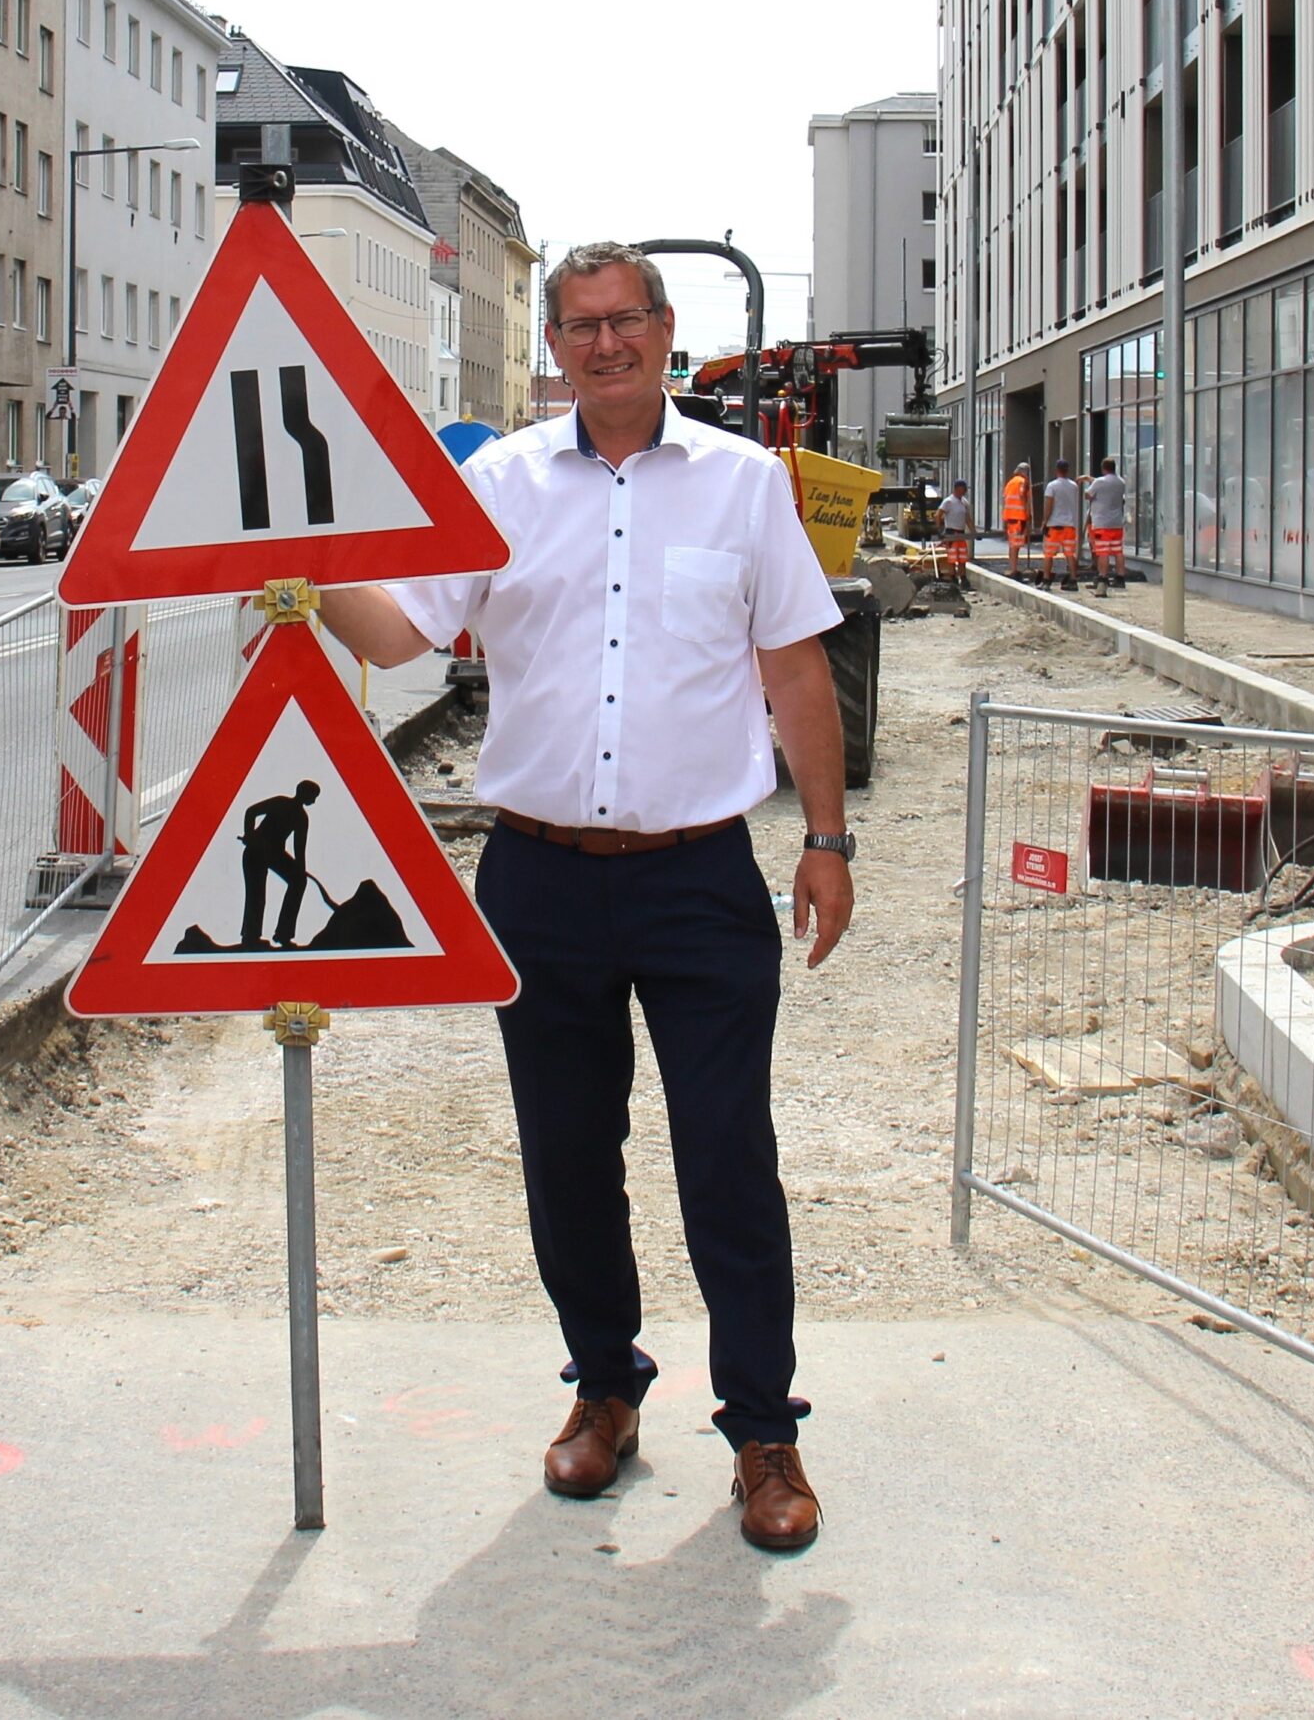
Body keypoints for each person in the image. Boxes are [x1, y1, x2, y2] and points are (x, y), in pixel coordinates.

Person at [321, 241, 852, 1553]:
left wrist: (828, 839)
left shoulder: (745, 485)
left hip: (700, 878)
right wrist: (287, 555)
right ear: (555, 346)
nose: (606, 343)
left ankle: (763, 1431)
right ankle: (603, 1387)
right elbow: (401, 633)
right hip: (540, 876)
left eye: (627, 321)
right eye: (581, 325)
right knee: (569, 1153)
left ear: (665, 331)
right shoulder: (495, 482)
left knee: (728, 1151)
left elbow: (794, 669)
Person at [239, 781, 319, 950]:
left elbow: (299, 848)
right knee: (257, 894)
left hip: (275, 854)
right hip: (256, 850)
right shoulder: (280, 802)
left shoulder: (302, 818)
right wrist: (250, 835)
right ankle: (250, 936)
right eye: (313, 796)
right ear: (305, 794)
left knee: (299, 881)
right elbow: (251, 812)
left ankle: (283, 934)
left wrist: (301, 870)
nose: (314, 801)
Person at [1087, 455, 1129, 594]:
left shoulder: (1099, 482)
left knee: (1103, 551)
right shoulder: (1121, 482)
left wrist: (1090, 482)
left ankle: (1102, 577)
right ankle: (1120, 578)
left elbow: (1088, 494)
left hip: (1101, 522)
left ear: (1103, 468)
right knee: (1118, 551)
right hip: (1116, 522)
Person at [1041, 460, 1082, 591]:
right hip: (1069, 525)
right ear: (1067, 470)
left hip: (1054, 525)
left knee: (1049, 554)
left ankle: (1046, 580)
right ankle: (1073, 580)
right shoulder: (1073, 486)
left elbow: (1048, 505)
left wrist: (1044, 521)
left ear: (1056, 470)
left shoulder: (1052, 486)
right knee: (1070, 554)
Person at [936, 478, 973, 583]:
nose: (963, 491)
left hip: (961, 534)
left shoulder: (964, 502)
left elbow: (968, 519)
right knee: (952, 557)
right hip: (951, 533)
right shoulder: (949, 501)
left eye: (964, 490)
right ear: (956, 489)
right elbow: (938, 515)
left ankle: (963, 576)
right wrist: (940, 530)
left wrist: (973, 532)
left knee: (962, 557)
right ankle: (953, 577)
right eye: (962, 489)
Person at [1001, 462, 1032, 581]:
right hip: (1019, 518)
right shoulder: (1023, 482)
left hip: (1010, 518)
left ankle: (1013, 568)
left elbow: (1005, 500)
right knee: (1015, 545)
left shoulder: (1010, 482)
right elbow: (1024, 497)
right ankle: (1014, 571)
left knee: (1013, 545)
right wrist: (1029, 516)